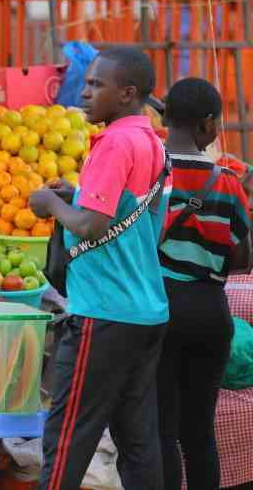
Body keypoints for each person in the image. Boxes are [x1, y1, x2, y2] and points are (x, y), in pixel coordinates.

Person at [29, 46, 170, 490]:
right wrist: (76, 194)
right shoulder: (151, 142)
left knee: (68, 435)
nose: (85, 94)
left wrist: (51, 203)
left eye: (95, 85)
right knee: (138, 440)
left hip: (103, 313)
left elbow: (92, 227)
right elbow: (144, 227)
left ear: (127, 93)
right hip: (145, 311)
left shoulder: (113, 143)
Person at [156, 77, 251, 490]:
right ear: (208, 125)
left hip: (157, 310)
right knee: (199, 434)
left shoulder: (147, 175)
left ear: (165, 119)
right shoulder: (228, 182)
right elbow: (242, 257)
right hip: (211, 313)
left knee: (161, 431)